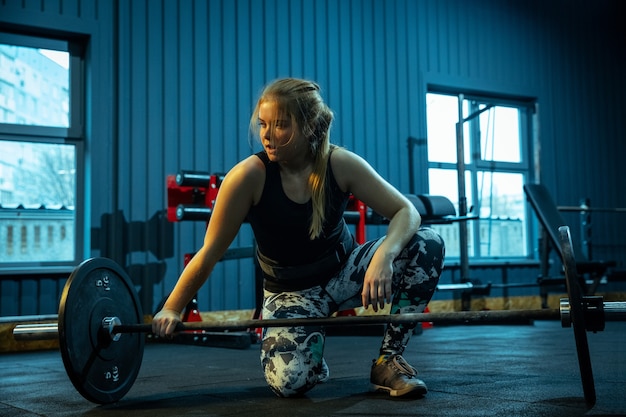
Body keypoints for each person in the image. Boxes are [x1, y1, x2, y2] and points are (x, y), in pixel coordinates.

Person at [152, 77, 445, 398]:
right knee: (291, 383)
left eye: (280, 125)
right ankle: (310, 357)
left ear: (309, 127)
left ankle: (389, 361)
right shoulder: (248, 177)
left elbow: (407, 212)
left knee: (427, 242)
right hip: (292, 293)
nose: (266, 134)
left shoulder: (339, 163)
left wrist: (385, 255)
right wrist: (171, 308)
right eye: (263, 124)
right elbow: (209, 253)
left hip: (345, 274)